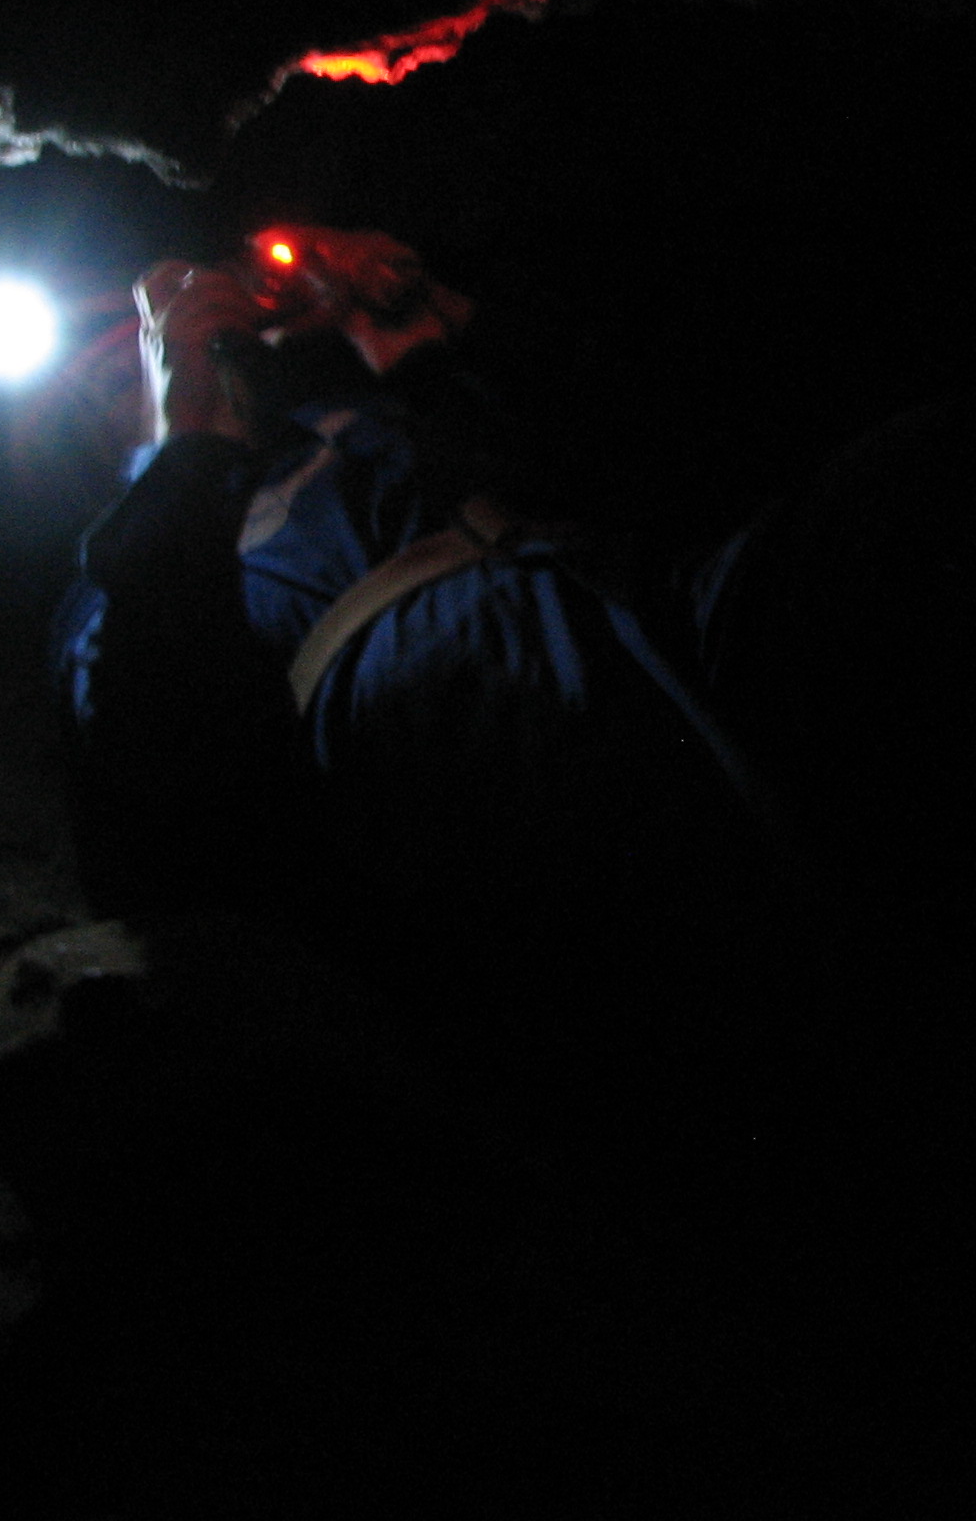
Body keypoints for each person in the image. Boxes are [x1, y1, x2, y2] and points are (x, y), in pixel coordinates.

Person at [53, 225, 818, 1125]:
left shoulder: (359, 419)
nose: (157, 350)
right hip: (446, 720)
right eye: (117, 375)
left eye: (153, 339)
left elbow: (664, 444)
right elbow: (156, 766)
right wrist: (185, 442)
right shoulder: (117, 578)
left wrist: (430, 336)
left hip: (647, 601)